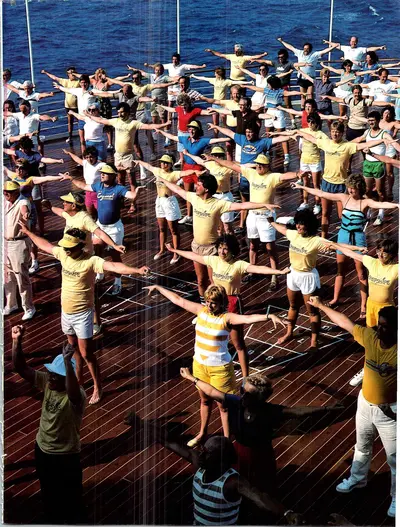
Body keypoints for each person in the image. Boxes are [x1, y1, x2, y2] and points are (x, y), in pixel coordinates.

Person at [19, 225, 150, 404]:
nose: (66, 250)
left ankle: (98, 386)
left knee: (87, 353)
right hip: (66, 312)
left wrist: (136, 270)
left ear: (80, 246)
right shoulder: (64, 254)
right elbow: (46, 246)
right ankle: (79, 380)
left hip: (82, 315)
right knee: (73, 350)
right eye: (65, 247)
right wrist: (28, 232)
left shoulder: (91, 261)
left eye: (70, 248)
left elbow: (113, 265)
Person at [144, 283, 287, 447]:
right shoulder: (201, 311)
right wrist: (158, 287)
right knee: (204, 401)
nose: (209, 305)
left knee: (223, 406)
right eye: (207, 301)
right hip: (199, 365)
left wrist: (269, 316)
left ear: (221, 303)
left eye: (213, 302)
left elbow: (247, 318)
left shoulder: (227, 318)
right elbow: (178, 300)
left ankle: (226, 440)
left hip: (220, 369)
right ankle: (202, 433)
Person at [179, 367, 342, 496]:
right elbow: (212, 391)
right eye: (242, 389)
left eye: (244, 391)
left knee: (262, 485)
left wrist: (327, 408)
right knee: (239, 483)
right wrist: (192, 378)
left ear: (256, 398)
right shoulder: (236, 402)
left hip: (260, 454)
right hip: (240, 450)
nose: (240, 392)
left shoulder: (270, 411)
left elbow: (298, 411)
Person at [307, 297, 396, 519]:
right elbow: (345, 323)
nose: (379, 329)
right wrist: (320, 306)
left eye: (384, 326)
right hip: (365, 403)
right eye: (379, 324)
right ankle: (358, 478)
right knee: (362, 444)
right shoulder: (370, 337)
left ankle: (396, 497)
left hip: (390, 413)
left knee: (395, 459)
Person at [166, 233, 290, 376]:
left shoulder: (238, 265)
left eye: (225, 249)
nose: (221, 252)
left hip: (232, 304)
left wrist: (279, 272)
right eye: (219, 248)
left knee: (238, 344)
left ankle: (245, 376)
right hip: (214, 303)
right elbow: (194, 256)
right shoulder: (214, 260)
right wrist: (175, 251)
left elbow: (259, 269)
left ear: (232, 250)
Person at [157, 172, 279, 300]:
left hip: (212, 249)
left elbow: (242, 205)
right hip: (196, 246)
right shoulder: (194, 198)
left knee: (213, 282)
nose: (195, 186)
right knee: (200, 281)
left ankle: (219, 306)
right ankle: (205, 304)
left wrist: (264, 205)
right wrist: (163, 180)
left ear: (206, 189)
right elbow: (177, 189)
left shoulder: (218, 204)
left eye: (199, 185)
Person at [143, 428, 302, 526]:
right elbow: (169, 442)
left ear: (220, 459)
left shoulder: (232, 482)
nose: (201, 454)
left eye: (207, 453)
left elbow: (259, 497)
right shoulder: (200, 463)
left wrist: (286, 513)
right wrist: (142, 424)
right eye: (203, 451)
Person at [293, 173, 399, 315]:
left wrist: (396, 205)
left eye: (353, 188)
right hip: (343, 236)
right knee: (340, 270)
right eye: (349, 188)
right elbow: (322, 193)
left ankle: (363, 305)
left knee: (361, 274)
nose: (350, 191)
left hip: (358, 237)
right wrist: (302, 186)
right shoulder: (344, 198)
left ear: (359, 188)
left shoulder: (365, 202)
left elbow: (380, 204)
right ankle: (335, 299)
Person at [11, 327, 87, 523]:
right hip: (43, 450)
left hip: (66, 456)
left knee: (72, 501)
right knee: (49, 496)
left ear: (66, 378)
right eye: (51, 373)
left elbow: (72, 392)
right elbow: (21, 368)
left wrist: (69, 368)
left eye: (56, 375)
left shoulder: (78, 395)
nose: (51, 377)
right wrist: (16, 342)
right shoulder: (47, 382)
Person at [206, 152, 298, 289]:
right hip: (252, 215)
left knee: (270, 247)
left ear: (267, 166)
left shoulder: (272, 177)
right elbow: (231, 165)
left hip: (266, 216)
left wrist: (298, 174)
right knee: (253, 245)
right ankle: (253, 270)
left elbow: (285, 176)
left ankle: (274, 276)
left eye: (261, 165)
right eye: (257, 164)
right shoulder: (251, 173)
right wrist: (213, 158)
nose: (258, 166)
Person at [296, 121, 392, 237]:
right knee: (325, 213)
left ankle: (347, 236)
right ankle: (324, 238)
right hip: (327, 183)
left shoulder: (347, 146)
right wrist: (297, 132)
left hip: (341, 185)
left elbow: (364, 145)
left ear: (342, 133)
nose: (335, 134)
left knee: (342, 215)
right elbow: (310, 138)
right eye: (333, 131)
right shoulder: (326, 143)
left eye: (337, 132)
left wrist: (382, 140)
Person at [64, 164, 145, 295]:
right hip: (100, 226)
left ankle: (118, 282)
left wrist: (138, 193)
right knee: (96, 250)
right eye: (101, 173)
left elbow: (132, 196)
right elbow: (84, 186)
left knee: (115, 255)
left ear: (113, 176)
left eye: (105, 173)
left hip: (114, 229)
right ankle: (100, 274)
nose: (102, 174)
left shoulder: (118, 189)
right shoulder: (98, 186)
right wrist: (71, 178)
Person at [328, 238, 398, 387]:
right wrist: (334, 245)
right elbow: (350, 253)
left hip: (386, 310)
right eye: (379, 251)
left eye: (384, 253)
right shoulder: (372, 262)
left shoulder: (396, 269)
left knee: (388, 341)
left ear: (392, 254)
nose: (380, 254)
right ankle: (368, 368)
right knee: (371, 340)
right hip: (372, 307)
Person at [85, 102, 170, 213]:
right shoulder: (116, 121)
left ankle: (132, 204)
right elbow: (101, 120)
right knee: (119, 180)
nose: (119, 114)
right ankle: (121, 201)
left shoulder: (133, 123)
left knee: (132, 182)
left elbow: (149, 126)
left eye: (122, 112)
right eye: (118, 112)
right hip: (118, 156)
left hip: (129, 157)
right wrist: (88, 115)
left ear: (128, 112)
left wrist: (164, 124)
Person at [268, 209, 331, 350]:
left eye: (301, 224)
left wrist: (355, 249)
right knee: (293, 306)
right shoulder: (293, 235)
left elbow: (336, 246)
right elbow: (281, 228)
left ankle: (314, 341)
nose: (298, 226)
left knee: (312, 311)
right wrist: (271, 221)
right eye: (297, 223)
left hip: (308, 277)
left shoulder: (316, 241)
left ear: (308, 225)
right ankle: (289, 332)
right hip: (293, 274)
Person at [156, 119, 228, 224]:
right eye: (190, 129)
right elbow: (172, 137)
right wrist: (161, 131)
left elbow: (215, 140)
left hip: (198, 168)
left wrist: (230, 137)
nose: (191, 131)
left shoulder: (202, 141)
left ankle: (203, 212)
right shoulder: (185, 139)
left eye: (193, 129)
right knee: (188, 193)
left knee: (201, 192)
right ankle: (189, 215)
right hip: (187, 168)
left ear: (198, 130)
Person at [133, 154, 203, 262]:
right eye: (162, 162)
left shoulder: (173, 174)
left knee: (173, 230)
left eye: (166, 162)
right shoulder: (158, 171)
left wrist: (194, 172)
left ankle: (176, 252)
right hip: (159, 201)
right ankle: (162, 250)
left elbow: (185, 172)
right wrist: (139, 161)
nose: (163, 164)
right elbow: (148, 166)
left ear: (170, 164)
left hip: (169, 202)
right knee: (161, 228)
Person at [4, 158, 68, 274]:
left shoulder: (30, 180)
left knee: (31, 235)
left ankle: (35, 261)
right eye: (17, 167)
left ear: (26, 170)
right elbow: (5, 169)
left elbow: (46, 178)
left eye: (21, 168)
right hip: (14, 210)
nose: (19, 170)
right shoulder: (13, 176)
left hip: (28, 209)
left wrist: (60, 177)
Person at [352, 111, 399, 225]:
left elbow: (394, 143)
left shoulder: (384, 134)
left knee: (380, 191)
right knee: (367, 191)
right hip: (367, 164)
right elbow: (358, 139)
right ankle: (368, 213)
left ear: (378, 121)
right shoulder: (367, 132)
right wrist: (343, 145)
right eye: (369, 120)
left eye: (373, 120)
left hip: (378, 164)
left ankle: (380, 213)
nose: (371, 122)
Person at [245, 75, 303, 165]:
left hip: (278, 113)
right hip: (268, 113)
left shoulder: (280, 92)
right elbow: (256, 88)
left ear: (272, 84)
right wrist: (245, 86)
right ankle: (267, 151)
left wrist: (301, 93)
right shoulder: (267, 91)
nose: (267, 85)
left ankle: (286, 155)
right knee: (269, 133)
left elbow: (290, 93)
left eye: (268, 84)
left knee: (281, 133)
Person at [183, 146, 236, 234]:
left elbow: (243, 166)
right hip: (214, 196)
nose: (217, 157)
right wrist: (187, 154)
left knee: (227, 227)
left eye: (220, 155)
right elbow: (199, 160)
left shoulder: (228, 166)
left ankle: (231, 245)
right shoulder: (210, 164)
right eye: (215, 155)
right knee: (218, 226)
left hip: (225, 196)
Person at [3, 181, 35, 320]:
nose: (5, 194)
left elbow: (24, 211)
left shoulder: (23, 202)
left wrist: (26, 216)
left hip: (18, 243)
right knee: (7, 276)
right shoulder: (5, 202)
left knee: (21, 277)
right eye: (4, 192)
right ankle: (11, 304)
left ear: (16, 192)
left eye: (8, 192)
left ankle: (29, 307)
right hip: (5, 243)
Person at [276, 38, 339, 108]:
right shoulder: (299, 53)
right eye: (304, 48)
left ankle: (311, 109)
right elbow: (290, 47)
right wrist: (282, 41)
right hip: (301, 78)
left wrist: (334, 46)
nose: (305, 50)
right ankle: (303, 109)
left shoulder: (314, 55)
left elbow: (324, 51)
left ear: (310, 49)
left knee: (310, 95)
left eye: (307, 48)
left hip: (310, 78)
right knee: (302, 95)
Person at [157, 93, 213, 167]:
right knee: (180, 148)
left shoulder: (194, 110)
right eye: (181, 106)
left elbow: (205, 112)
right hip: (180, 132)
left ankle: (192, 162)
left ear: (188, 103)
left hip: (189, 133)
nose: (183, 107)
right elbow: (172, 109)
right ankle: (181, 161)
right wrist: (162, 106)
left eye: (184, 106)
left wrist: (215, 110)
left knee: (190, 150)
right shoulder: (179, 109)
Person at [191, 67, 252, 133]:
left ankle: (226, 131)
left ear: (218, 74)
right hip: (215, 103)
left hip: (223, 104)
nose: (214, 74)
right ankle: (216, 136)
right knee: (215, 122)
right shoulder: (214, 80)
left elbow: (236, 81)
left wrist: (248, 82)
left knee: (224, 120)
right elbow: (204, 78)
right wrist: (194, 76)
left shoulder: (226, 81)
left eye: (215, 73)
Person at [53, 74, 97, 153]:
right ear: (80, 83)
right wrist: (59, 87)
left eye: (85, 82)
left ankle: (94, 155)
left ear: (88, 83)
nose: (83, 84)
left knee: (91, 139)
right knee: (82, 140)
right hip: (81, 118)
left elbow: (105, 94)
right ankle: (84, 157)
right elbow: (68, 90)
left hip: (90, 119)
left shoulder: (92, 92)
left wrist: (116, 92)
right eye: (82, 82)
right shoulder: (78, 91)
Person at [62, 145, 105, 218]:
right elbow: (77, 159)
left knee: (102, 213)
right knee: (90, 212)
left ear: (96, 156)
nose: (89, 159)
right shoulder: (85, 163)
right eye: (87, 157)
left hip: (99, 193)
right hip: (88, 192)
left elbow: (112, 169)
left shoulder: (101, 165)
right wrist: (69, 153)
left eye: (91, 157)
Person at [41, 67, 80, 143]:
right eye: (70, 73)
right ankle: (70, 137)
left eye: (73, 73)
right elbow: (55, 78)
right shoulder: (66, 81)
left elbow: (86, 78)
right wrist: (46, 73)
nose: (71, 74)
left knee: (80, 121)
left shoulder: (79, 82)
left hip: (77, 105)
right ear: (68, 74)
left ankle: (83, 135)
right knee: (70, 122)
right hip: (68, 106)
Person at [322, 37, 386, 71]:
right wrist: (328, 42)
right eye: (352, 41)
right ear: (350, 42)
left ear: (357, 42)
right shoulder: (345, 48)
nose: (353, 43)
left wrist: (379, 48)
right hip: (346, 70)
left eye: (355, 42)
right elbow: (336, 45)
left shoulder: (360, 49)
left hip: (356, 70)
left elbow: (370, 49)